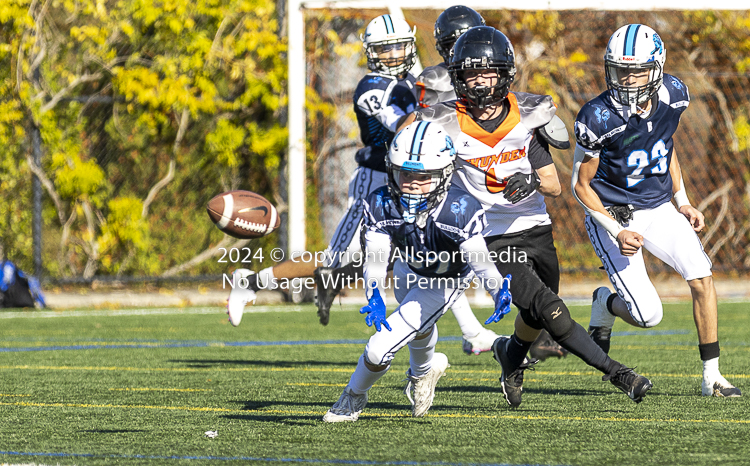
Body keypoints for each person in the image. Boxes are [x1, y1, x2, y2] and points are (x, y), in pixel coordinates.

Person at [400, 26, 653, 407]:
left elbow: (553, 185)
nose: (481, 82)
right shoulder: (442, 121)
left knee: (535, 316)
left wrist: (530, 180)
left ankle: (510, 356)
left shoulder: (527, 117)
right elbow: (405, 142)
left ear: (504, 73)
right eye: (471, 73)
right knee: (551, 310)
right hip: (488, 236)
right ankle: (620, 374)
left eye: (488, 72)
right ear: (457, 77)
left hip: (535, 228)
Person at [229, 14, 499, 355]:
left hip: (413, 179)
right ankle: (250, 282)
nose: (394, 54)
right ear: (371, 52)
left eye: (400, 46)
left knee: (430, 248)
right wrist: (438, 101)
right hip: (377, 182)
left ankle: (471, 331)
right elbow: (404, 126)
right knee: (335, 259)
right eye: (386, 49)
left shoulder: (414, 79)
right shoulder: (370, 87)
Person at [572, 24, 740, 398]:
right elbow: (580, 186)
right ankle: (606, 303)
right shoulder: (598, 116)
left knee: (702, 277)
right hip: (613, 214)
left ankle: (712, 375)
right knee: (649, 316)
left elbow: (665, 146)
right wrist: (615, 230)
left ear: (658, 67)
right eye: (621, 71)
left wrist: (682, 200)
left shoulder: (674, 95)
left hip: (660, 205)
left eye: (637, 71)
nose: (629, 80)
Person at [323, 121, 513, 422]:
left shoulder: (459, 207)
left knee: (377, 348)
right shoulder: (381, 202)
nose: (412, 183)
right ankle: (425, 372)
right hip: (408, 267)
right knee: (419, 327)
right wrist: (374, 293)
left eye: (424, 177)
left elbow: (480, 261)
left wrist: (496, 287)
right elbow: (376, 258)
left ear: (444, 175)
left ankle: (353, 398)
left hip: (446, 280)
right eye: (405, 174)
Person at [415, 5, 485, 108]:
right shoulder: (435, 79)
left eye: (470, 43)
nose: (466, 50)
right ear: (445, 47)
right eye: (457, 45)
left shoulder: (494, 71)